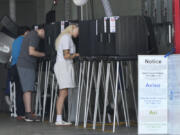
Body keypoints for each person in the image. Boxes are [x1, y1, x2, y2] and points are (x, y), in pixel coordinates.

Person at [16, 25, 45, 122]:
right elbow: (31, 52)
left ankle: (28, 113)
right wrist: (44, 54)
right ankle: (29, 114)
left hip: (23, 64)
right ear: (42, 30)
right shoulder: (34, 35)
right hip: (26, 65)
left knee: (26, 89)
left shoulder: (31, 35)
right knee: (28, 89)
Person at [54, 25, 79, 126]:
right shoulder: (66, 38)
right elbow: (66, 55)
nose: (78, 32)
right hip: (63, 66)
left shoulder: (67, 38)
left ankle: (59, 118)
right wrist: (77, 55)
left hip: (64, 66)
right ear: (72, 28)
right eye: (78, 30)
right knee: (63, 93)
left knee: (64, 93)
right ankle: (58, 119)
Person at [10, 26, 30, 120]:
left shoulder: (16, 40)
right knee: (24, 90)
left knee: (18, 91)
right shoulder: (24, 40)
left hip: (14, 67)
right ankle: (24, 112)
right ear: (26, 32)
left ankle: (20, 113)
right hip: (21, 66)